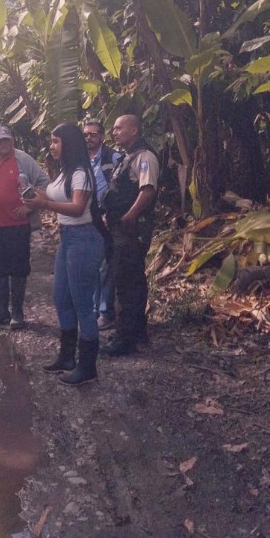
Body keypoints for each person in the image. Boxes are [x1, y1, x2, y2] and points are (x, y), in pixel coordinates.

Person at [42, 122, 105, 385]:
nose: (52, 146)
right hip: (67, 237)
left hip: (83, 238)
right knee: (61, 297)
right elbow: (58, 199)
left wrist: (44, 203)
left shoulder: (81, 173)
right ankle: (67, 356)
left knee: (82, 304)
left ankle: (87, 366)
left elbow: (78, 208)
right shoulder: (64, 172)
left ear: (68, 144)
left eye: (56, 141)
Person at [0, 126, 50, 329]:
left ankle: (17, 313)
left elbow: (45, 183)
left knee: (18, 269)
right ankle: (1, 312)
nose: (3, 144)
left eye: (6, 140)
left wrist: (30, 206)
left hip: (18, 225)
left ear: (12, 140)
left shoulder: (23, 159)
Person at [101, 114, 159, 357]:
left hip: (132, 229)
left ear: (134, 130)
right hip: (122, 227)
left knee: (125, 282)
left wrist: (129, 216)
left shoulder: (144, 157)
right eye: (113, 128)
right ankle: (136, 331)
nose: (114, 132)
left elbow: (147, 190)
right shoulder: (128, 156)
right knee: (131, 278)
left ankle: (125, 339)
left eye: (118, 128)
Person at [84, 117, 120, 330]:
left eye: (93, 134)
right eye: (85, 134)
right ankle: (94, 309)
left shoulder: (113, 157)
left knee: (106, 265)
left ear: (102, 137)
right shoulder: (81, 159)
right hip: (88, 217)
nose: (88, 138)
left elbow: (123, 186)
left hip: (107, 218)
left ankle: (106, 312)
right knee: (92, 264)